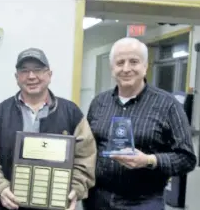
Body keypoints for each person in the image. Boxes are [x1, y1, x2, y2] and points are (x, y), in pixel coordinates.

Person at [0, 48, 97, 210]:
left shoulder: (71, 113)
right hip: (13, 206)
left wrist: (76, 188)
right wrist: (0, 188)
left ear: (49, 75)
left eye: (38, 70)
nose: (31, 76)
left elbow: (85, 156)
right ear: (17, 77)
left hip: (58, 205)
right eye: (24, 71)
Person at [82, 37, 197, 210]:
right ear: (112, 68)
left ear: (145, 66)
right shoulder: (99, 103)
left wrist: (149, 160)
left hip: (143, 201)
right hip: (98, 198)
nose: (126, 68)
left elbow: (187, 158)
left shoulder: (168, 105)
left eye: (134, 61)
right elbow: (89, 147)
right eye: (120, 62)